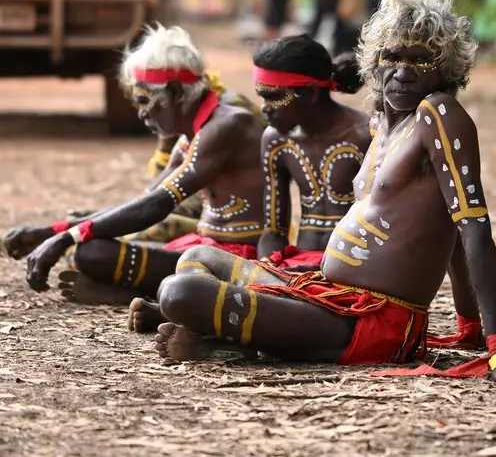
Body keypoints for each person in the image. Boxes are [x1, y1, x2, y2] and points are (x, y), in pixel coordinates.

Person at [145, 0, 496, 385]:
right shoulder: (384, 124)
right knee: (198, 259)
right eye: (393, 57)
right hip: (327, 293)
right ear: (375, 60)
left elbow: (472, 228)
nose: (402, 72)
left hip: (375, 321)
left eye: (421, 60)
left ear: (446, 68)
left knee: (179, 294)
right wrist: (466, 324)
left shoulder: (438, 115)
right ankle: (227, 340)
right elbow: (446, 234)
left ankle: (222, 341)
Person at [2, 25, 268, 302]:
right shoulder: (191, 137)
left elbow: (155, 207)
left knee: (91, 252)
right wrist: (53, 231)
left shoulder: (227, 125)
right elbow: (141, 203)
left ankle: (135, 292)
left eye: (144, 99)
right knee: (88, 248)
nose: (141, 113)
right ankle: (135, 289)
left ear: (176, 92)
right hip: (206, 247)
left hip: (238, 258)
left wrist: (65, 238)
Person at [127, 34, 371, 333]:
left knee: (204, 293)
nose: (264, 108)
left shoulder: (365, 135)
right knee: (191, 264)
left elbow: (376, 227)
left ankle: (198, 324)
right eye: (261, 95)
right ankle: (198, 315)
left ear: (309, 94)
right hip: (290, 271)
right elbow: (274, 230)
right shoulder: (276, 139)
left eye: (273, 96)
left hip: (345, 273)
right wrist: (266, 267)